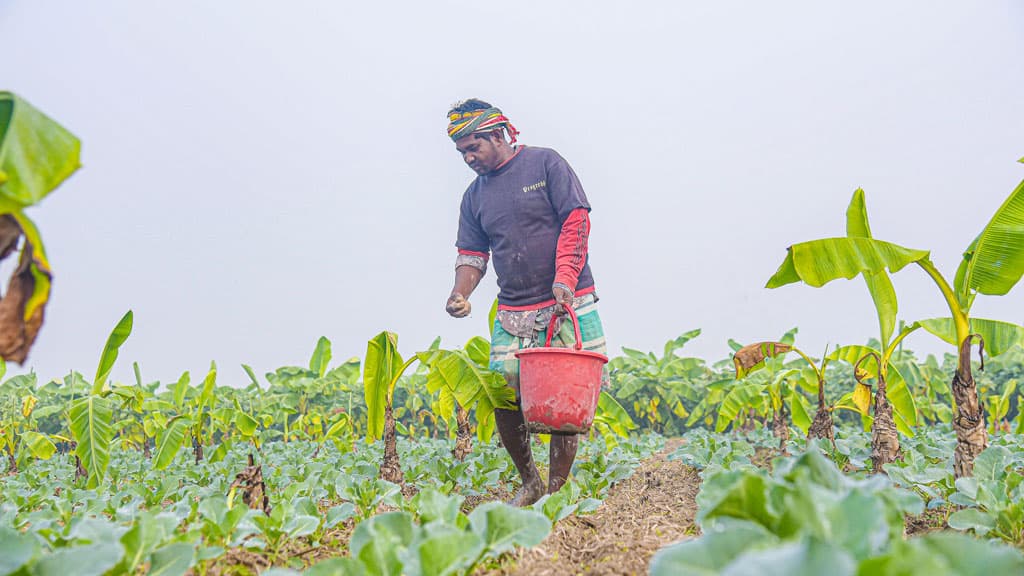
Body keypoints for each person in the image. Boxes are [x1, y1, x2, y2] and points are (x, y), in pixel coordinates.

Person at [443, 98, 608, 506]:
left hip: (566, 302)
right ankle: (530, 481)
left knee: (566, 400)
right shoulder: (474, 197)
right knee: (504, 395)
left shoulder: (545, 164)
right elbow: (472, 256)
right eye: (461, 151)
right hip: (513, 309)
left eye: (473, 146)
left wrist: (564, 279)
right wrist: (460, 293)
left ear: (497, 134)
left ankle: (555, 490)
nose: (467, 157)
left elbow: (577, 219)